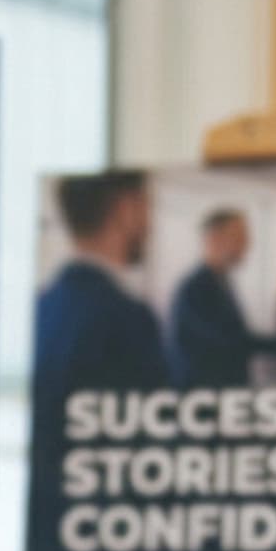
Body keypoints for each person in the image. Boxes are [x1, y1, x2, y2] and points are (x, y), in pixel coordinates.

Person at [33, 170, 169, 400]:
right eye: (147, 206)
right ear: (126, 209)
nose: (151, 225)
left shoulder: (39, 308)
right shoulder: (129, 319)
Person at [168, 208, 276, 390]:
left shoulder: (221, 283)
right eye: (238, 237)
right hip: (203, 402)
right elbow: (232, 342)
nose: (247, 244)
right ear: (214, 238)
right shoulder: (196, 289)